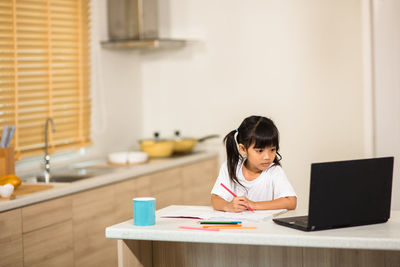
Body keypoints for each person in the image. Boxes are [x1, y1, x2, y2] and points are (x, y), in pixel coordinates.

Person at [211, 115, 297, 212]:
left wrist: (254, 205)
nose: (267, 157)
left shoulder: (274, 171)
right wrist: (227, 206)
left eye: (272, 149)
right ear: (243, 149)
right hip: (236, 225)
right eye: (260, 151)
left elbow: (291, 202)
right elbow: (215, 199)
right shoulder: (230, 167)